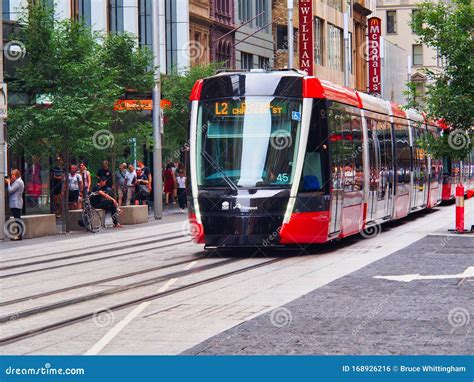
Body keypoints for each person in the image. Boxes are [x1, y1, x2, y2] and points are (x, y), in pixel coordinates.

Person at [5, 169, 25, 241]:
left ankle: (19, 236)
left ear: (16, 175)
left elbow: (10, 190)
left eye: (13, 175)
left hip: (16, 203)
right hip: (16, 202)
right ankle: (18, 235)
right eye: (12, 174)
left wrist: (9, 182)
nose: (12, 176)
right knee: (17, 219)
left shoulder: (18, 182)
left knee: (17, 219)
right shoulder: (19, 181)